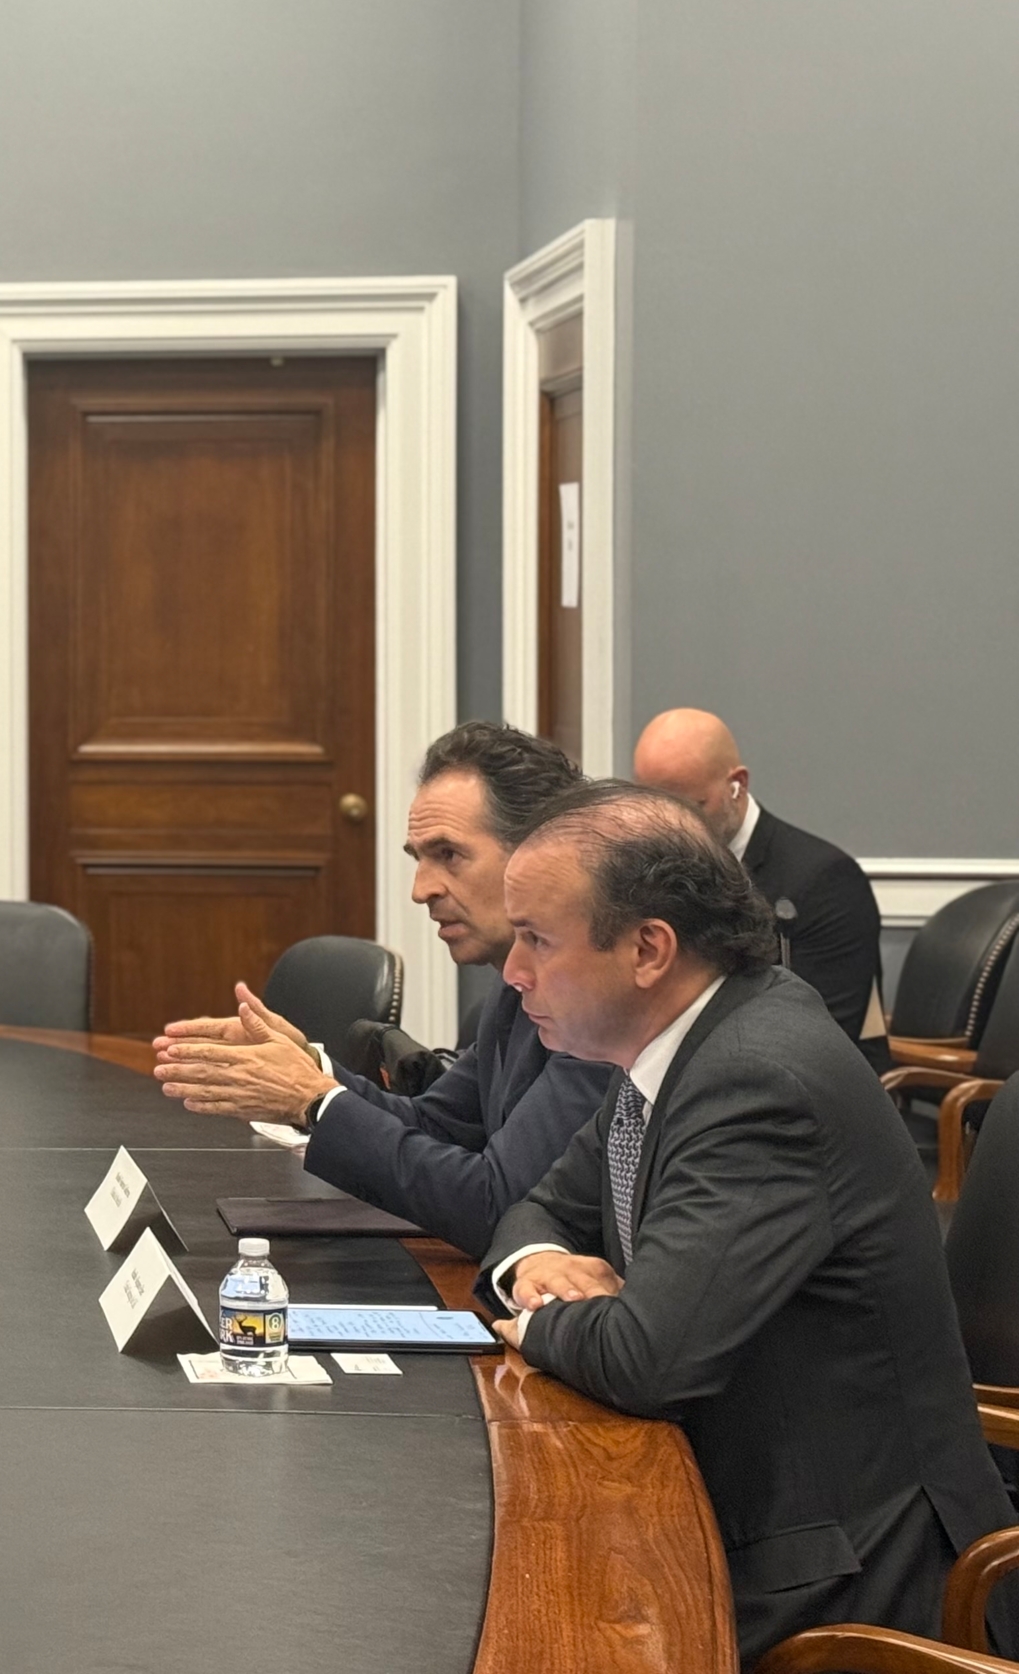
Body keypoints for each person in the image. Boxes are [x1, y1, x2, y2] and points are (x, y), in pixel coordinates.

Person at [484, 781, 1008, 1663]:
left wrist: (539, 1321)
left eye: (536, 938)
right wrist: (542, 1261)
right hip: (736, 1501)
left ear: (648, 948)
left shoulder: (756, 1077)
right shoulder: (673, 1044)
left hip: (840, 1575)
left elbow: (646, 1360)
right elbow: (537, 1207)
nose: (512, 973)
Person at [151, 722, 615, 1256]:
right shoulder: (512, 987)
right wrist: (309, 1071)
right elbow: (437, 1125)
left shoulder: (601, 1007)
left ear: (539, 851)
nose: (421, 890)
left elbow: (499, 1205)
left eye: (449, 855)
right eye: (417, 857)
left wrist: (313, 1102)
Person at [633, 706, 885, 1061]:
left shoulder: (824, 880)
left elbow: (821, 1036)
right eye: (653, 806)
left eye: (691, 806)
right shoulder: (645, 868)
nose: (670, 826)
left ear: (737, 785)